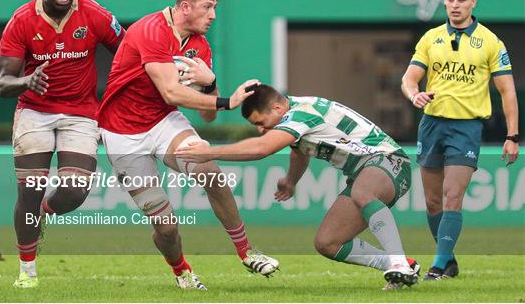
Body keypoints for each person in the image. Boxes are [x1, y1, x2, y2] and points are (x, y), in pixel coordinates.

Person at [97, 0, 279, 290]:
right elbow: (171, 91)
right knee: (166, 228)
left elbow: (206, 116)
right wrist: (228, 101)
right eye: (208, 7)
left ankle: (246, 251)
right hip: (122, 133)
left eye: (215, 8)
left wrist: (210, 84)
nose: (213, 15)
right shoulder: (150, 29)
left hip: (163, 122)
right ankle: (182, 271)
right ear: (185, 7)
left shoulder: (200, 46)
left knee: (210, 171)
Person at [175, 84, 421, 289]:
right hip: (363, 172)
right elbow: (300, 151)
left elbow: (263, 148)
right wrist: (291, 180)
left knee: (363, 192)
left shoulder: (302, 113)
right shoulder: (294, 113)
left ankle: (398, 263)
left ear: (277, 108)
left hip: (389, 161)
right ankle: (399, 265)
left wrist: (209, 152)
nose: (261, 130)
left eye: (262, 123)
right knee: (328, 243)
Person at [0, 0, 125, 288]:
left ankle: (44, 213)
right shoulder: (22, 20)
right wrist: (26, 81)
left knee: (75, 190)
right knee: (28, 192)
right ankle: (27, 271)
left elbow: (129, 51)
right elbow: (3, 83)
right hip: (34, 112)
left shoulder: (95, 14)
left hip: (81, 112)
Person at [400, 0, 519, 280]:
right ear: (444, 0)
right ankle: (449, 259)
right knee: (432, 200)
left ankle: (438, 267)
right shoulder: (431, 38)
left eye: (461, 0)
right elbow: (409, 79)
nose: (455, 5)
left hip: (467, 128)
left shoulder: (491, 42)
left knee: (453, 196)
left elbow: (507, 91)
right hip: (431, 124)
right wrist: (414, 94)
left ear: (473, 2)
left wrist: (512, 135)